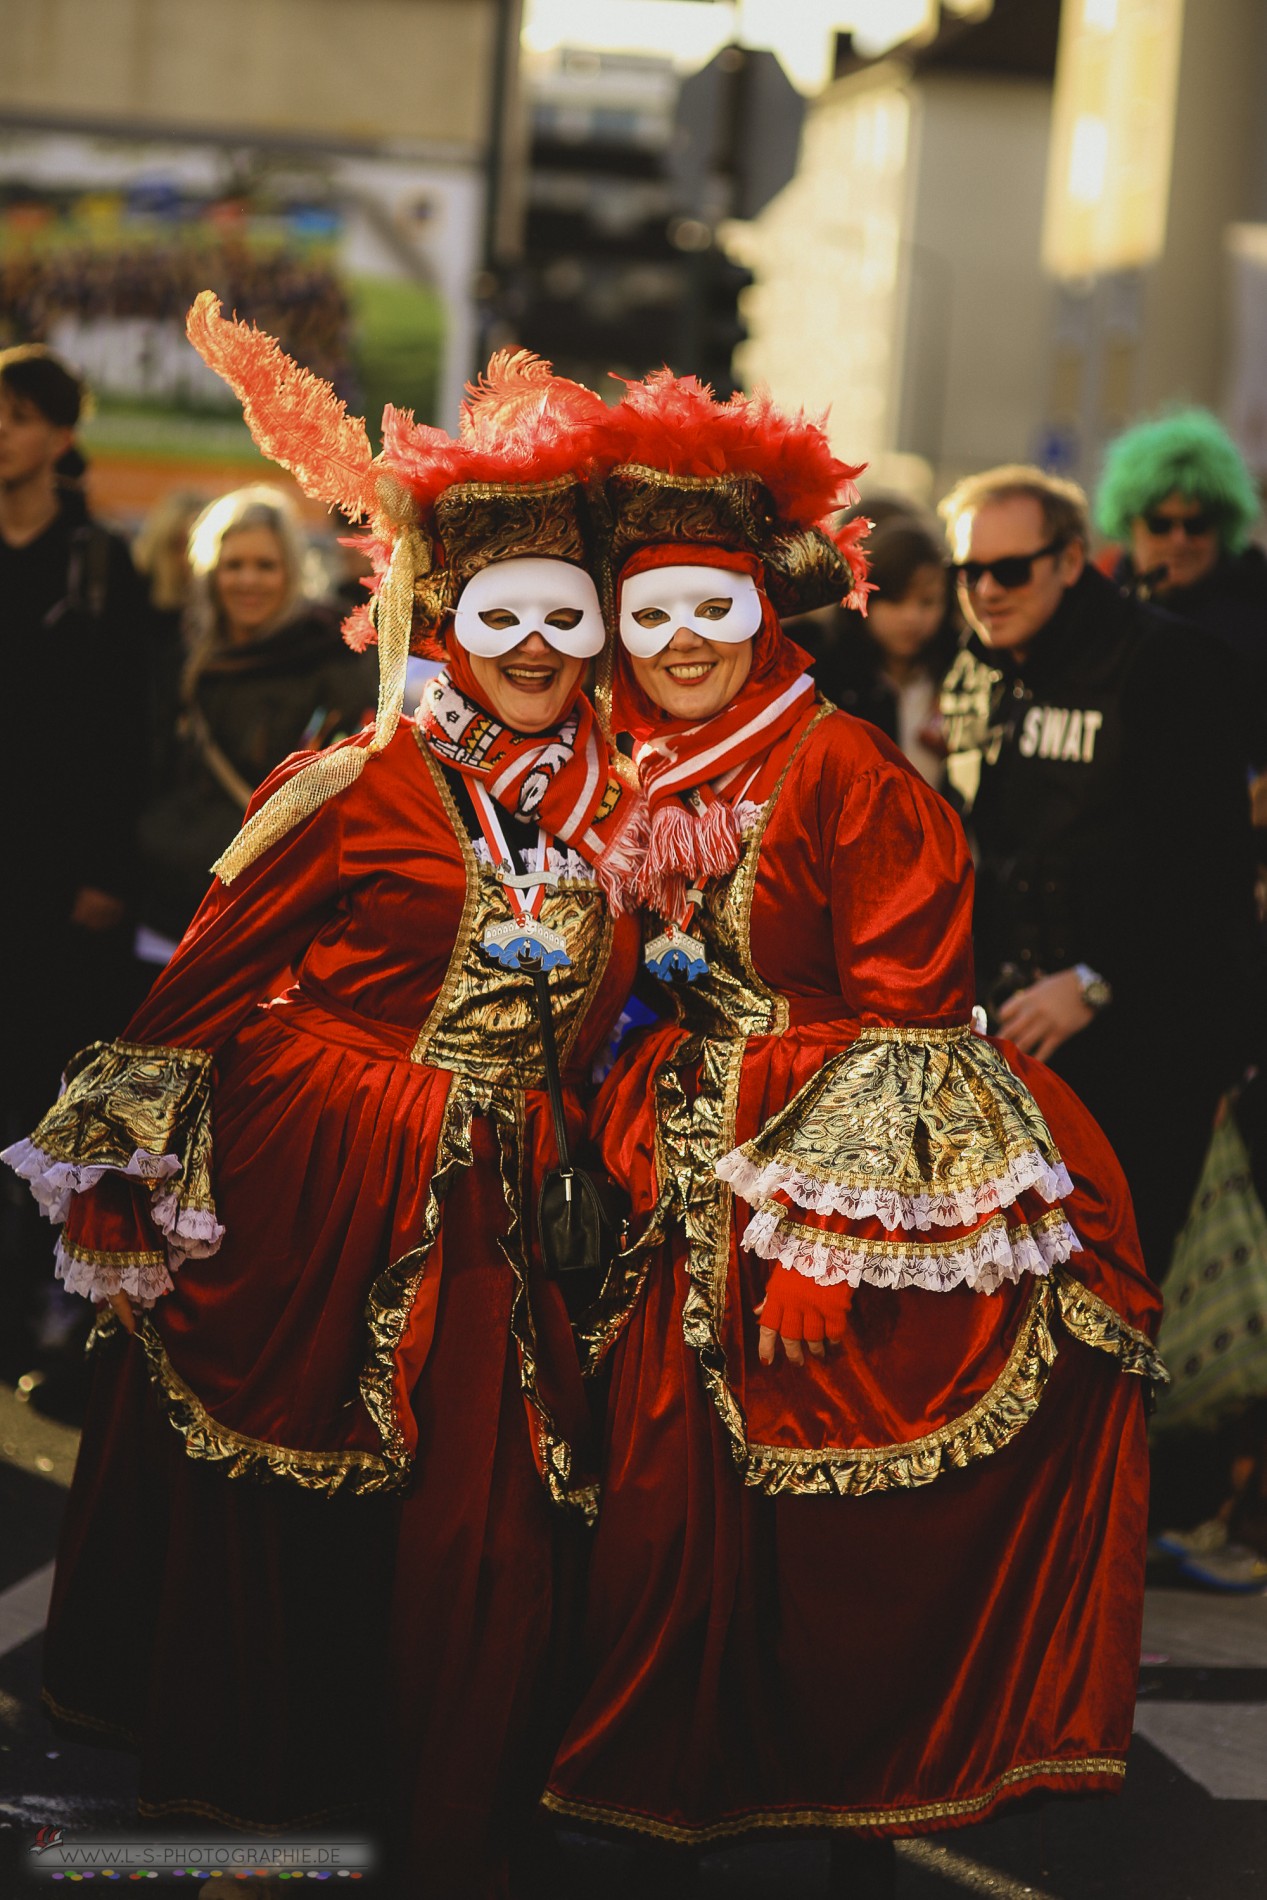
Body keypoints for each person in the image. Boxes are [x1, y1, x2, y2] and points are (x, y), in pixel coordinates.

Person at [3, 301, 647, 1896]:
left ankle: (444, 1811)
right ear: (445, 623)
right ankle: (275, 1805)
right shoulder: (362, 781)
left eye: (565, 623)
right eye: (504, 620)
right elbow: (200, 988)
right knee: (312, 1520)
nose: (534, 654)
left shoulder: (624, 809)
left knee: (487, 1531)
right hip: (332, 1192)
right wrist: (134, 1197)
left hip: (514, 1209)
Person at [543, 376, 1164, 1884]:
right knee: (657, 1502)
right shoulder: (628, 768)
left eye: (706, 612)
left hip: (823, 1179)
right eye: (647, 620)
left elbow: (907, 1016)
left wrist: (819, 1246)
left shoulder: (837, 768)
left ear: (759, 618)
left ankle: (813, 1793)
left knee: (811, 1535)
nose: (677, 644)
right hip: (680, 1159)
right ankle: (671, 1777)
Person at [937, 464, 1256, 1280]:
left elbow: (1210, 874)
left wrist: (1096, 978)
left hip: (1145, 1046)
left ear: (1071, 560)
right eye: (967, 572)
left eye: (1009, 570)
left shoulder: (1169, 661)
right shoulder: (973, 670)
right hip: (1009, 1041)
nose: (985, 591)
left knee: (1112, 1297)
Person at [0, 344, 149, 1376]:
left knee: (34, 1104)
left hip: (55, 887)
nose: (1, 432)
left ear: (58, 436)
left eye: (16, 416)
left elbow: (131, 732)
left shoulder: (102, 565)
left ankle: (24, 1315)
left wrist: (107, 871)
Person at [134, 482, 377, 960]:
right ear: (209, 572)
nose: (249, 580)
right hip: (167, 909)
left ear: (291, 570)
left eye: (266, 565)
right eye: (233, 565)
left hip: (272, 921)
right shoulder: (184, 661)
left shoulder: (331, 659)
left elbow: (336, 790)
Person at [1095, 407, 1266, 767]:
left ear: (1223, 527)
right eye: (1160, 524)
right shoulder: (1098, 610)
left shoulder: (1256, 614)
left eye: (1197, 524)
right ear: (1130, 525)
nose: (1179, 540)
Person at [810, 513, 957, 787]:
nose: (911, 617)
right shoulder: (825, 679)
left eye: (927, 603)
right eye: (895, 601)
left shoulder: (961, 675)